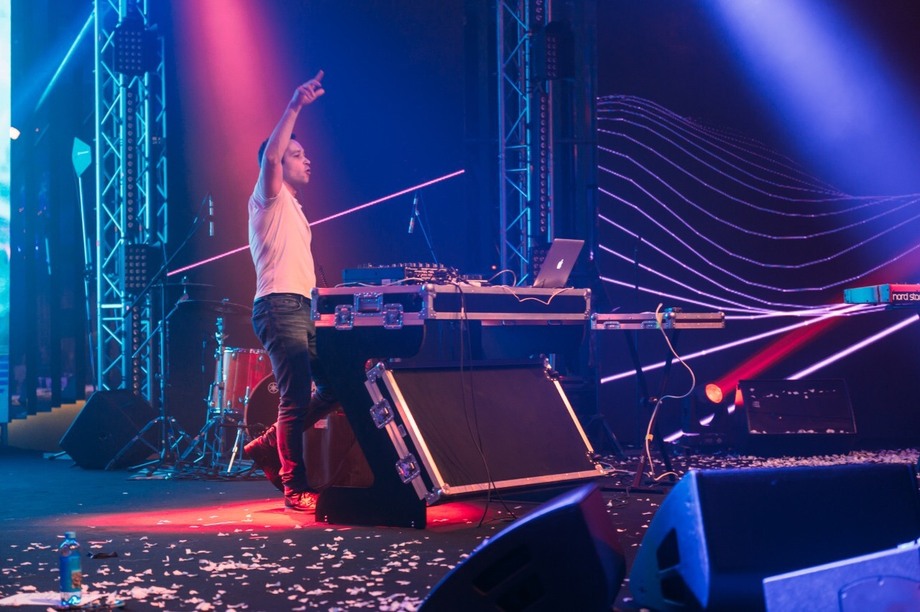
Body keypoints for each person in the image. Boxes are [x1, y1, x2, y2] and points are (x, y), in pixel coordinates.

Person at [242, 72, 337, 512]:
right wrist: (295, 105)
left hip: (302, 307)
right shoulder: (268, 196)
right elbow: (271, 156)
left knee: (337, 386)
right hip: (278, 307)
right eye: (297, 155)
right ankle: (293, 486)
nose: (307, 160)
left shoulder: (295, 209)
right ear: (278, 164)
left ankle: (267, 445)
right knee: (295, 398)